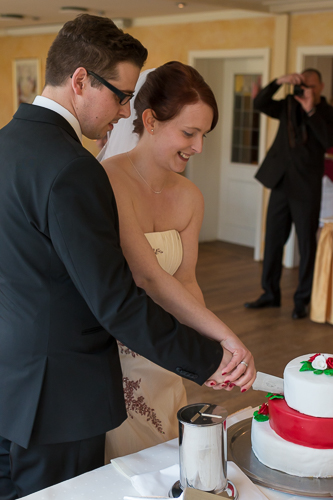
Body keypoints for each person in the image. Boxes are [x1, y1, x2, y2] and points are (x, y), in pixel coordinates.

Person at [0, 15, 256, 498]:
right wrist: (208, 361)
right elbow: (117, 300)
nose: (123, 112)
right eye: (120, 95)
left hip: (10, 381)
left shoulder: (5, 145)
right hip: (60, 397)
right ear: (80, 80)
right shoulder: (73, 169)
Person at [101, 61, 254, 460]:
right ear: (149, 120)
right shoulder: (107, 180)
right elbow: (147, 275)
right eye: (189, 132)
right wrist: (226, 339)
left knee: (168, 454)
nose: (199, 147)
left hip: (168, 354)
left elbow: (185, 281)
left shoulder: (190, 197)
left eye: (204, 134)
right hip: (115, 354)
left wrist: (205, 349)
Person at [244, 69, 333, 319]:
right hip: (281, 182)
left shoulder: (326, 113)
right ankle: (270, 294)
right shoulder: (287, 105)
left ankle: (302, 301)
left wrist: (310, 110)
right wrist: (279, 82)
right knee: (273, 240)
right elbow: (260, 102)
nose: (306, 89)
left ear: (321, 87)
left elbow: (328, 141)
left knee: (306, 245)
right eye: (302, 84)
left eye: (311, 86)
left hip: (307, 187)